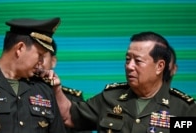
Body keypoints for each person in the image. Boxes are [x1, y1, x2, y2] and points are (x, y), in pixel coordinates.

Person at [41, 31, 196, 133]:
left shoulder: (184, 109)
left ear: (159, 66)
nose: (129, 66)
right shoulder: (110, 98)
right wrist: (56, 89)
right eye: (128, 59)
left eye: (138, 61)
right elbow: (69, 116)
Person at [39, 39, 92, 133]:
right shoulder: (18, 92)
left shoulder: (72, 98)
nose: (37, 62)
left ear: (53, 61)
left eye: (41, 56)